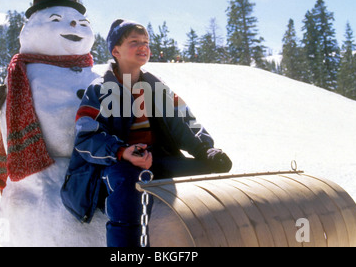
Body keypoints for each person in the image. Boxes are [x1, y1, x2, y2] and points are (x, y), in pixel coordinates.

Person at [62, 19, 232, 247]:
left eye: (146, 42)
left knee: (210, 174)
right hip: (110, 166)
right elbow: (86, 137)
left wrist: (206, 149)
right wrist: (122, 151)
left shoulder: (155, 87)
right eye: (135, 42)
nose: (143, 47)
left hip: (154, 160)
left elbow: (184, 121)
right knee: (131, 183)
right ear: (116, 51)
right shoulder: (100, 89)